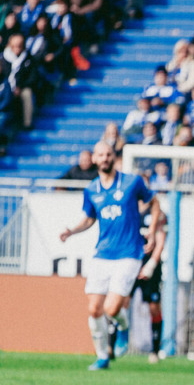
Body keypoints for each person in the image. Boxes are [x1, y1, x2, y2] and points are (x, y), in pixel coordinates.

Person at [59, 141, 161, 370]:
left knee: (112, 309)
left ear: (113, 157)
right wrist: (72, 231)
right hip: (102, 254)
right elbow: (89, 219)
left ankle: (123, 328)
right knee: (94, 309)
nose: (104, 158)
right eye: (100, 155)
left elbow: (154, 203)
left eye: (108, 154)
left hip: (129, 253)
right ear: (94, 159)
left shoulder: (132, 182)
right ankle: (102, 356)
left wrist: (152, 231)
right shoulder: (91, 190)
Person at [116, 201, 168, 364]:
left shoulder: (158, 213)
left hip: (148, 266)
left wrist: (151, 264)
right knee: (120, 304)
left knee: (153, 307)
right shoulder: (126, 209)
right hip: (130, 262)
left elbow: (160, 239)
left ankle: (155, 350)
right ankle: (112, 347)